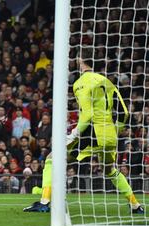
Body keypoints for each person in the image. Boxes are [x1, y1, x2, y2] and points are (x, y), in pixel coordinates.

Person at [23, 49, 143, 213]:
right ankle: (136, 205)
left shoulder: (80, 83)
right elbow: (124, 113)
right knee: (110, 170)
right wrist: (115, 130)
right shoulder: (107, 81)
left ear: (81, 61)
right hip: (110, 134)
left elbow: (87, 114)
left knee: (52, 159)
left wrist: (74, 134)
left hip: (92, 132)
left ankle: (44, 202)